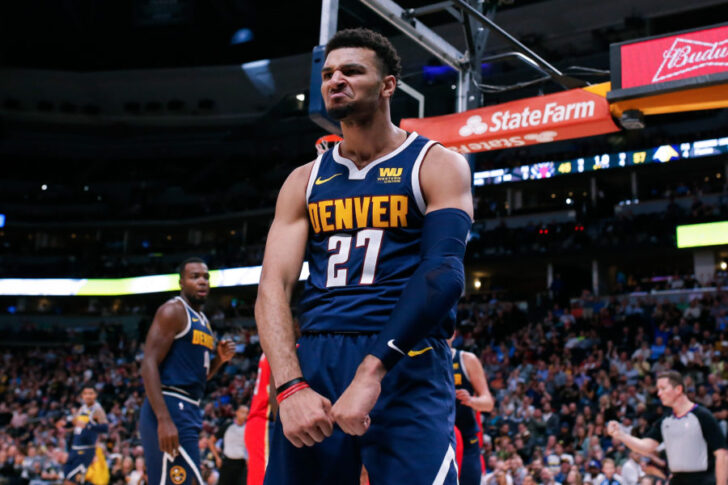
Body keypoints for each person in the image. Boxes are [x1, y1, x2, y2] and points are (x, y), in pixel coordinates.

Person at [255, 27, 472, 485]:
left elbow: (443, 273)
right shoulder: (303, 181)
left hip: (405, 355)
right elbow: (273, 287)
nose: (336, 80)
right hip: (318, 355)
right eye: (329, 73)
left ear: (389, 85)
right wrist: (290, 386)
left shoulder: (436, 163)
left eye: (352, 71)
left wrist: (371, 372)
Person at [140, 257, 236, 485]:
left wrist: (219, 361)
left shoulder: (203, 320)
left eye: (206, 277)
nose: (202, 281)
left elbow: (199, 377)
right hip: (171, 405)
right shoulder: (173, 311)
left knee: (189, 480)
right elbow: (148, 363)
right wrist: (164, 419)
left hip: (190, 407)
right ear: (181, 282)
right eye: (195, 277)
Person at [608, 370, 728, 485]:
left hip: (703, 480)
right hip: (676, 480)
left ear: (678, 389)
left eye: (663, 388)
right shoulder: (665, 421)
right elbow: (645, 447)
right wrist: (621, 435)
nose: (659, 393)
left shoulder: (703, 416)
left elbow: (722, 455)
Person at [450, 337, 494, 485]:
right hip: (437, 439)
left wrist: (471, 401)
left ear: (453, 333)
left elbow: (488, 403)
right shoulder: (424, 358)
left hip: (466, 438)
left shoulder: (466, 359)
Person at [62, 385, 108, 485]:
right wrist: (64, 425)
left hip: (85, 451)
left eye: (90, 393)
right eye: (85, 394)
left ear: (95, 395)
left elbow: (105, 428)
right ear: (82, 396)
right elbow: (75, 423)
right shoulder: (83, 408)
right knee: (67, 477)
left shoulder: (97, 410)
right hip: (74, 449)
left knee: (72, 481)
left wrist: (88, 426)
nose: (88, 396)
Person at [244, 354, 275, 485]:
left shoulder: (272, 344)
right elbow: (278, 390)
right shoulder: (288, 345)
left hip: (261, 423)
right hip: (265, 421)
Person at [217, 405, 249, 485]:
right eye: (242, 412)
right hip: (227, 463)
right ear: (236, 412)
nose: (245, 415)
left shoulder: (249, 427)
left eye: (246, 413)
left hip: (242, 464)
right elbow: (211, 441)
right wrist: (217, 457)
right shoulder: (228, 425)